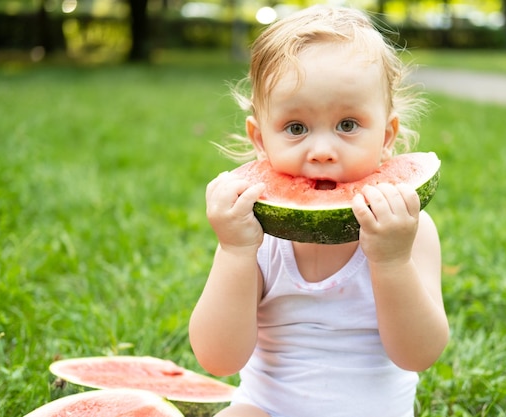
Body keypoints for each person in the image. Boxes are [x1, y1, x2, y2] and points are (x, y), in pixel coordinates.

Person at [189, 5, 449, 417]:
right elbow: (218, 359)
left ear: (386, 136)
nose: (323, 152)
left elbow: (418, 355)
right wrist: (234, 251)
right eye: (296, 128)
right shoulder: (255, 235)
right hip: (265, 408)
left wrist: (392, 260)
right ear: (260, 139)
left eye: (348, 124)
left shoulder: (410, 230)